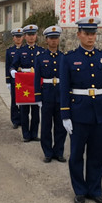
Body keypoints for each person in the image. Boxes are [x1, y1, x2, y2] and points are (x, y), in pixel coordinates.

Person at [60, 16, 102, 203]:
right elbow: (64, 89)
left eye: (93, 33)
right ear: (79, 35)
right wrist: (65, 115)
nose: (91, 37)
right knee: (76, 154)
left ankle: (94, 189)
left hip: (99, 112)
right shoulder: (69, 59)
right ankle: (80, 190)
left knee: (98, 153)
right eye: (87, 33)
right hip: (78, 113)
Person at [35, 25, 66, 163]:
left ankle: (59, 152)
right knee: (46, 126)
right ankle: (47, 152)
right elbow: (36, 79)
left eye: (56, 38)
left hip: (60, 94)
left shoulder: (64, 58)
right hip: (47, 94)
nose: (54, 41)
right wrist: (38, 96)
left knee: (60, 126)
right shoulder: (40, 58)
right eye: (51, 38)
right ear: (46, 40)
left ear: (59, 40)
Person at [10, 24, 44, 142]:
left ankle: (34, 133)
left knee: (35, 112)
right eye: (29, 35)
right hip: (24, 84)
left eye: (33, 34)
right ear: (25, 36)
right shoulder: (21, 51)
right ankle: (26, 134)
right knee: (24, 111)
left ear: (36, 36)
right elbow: (13, 65)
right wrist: (13, 72)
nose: (31, 37)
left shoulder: (41, 51)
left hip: (36, 84)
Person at [5, 28, 24, 129]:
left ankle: (23, 119)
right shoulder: (10, 51)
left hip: (25, 79)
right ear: (13, 38)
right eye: (16, 37)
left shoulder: (25, 50)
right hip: (14, 79)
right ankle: (15, 120)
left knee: (24, 100)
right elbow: (8, 66)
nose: (18, 39)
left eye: (20, 36)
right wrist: (8, 80)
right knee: (14, 100)